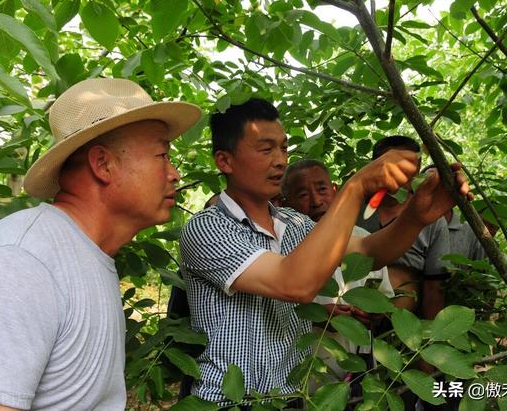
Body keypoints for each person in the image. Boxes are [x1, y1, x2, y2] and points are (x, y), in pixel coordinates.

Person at [179, 98, 470, 405]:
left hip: (290, 398)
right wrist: (356, 187)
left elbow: (368, 251)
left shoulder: (296, 223)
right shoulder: (207, 228)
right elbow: (294, 285)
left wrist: (416, 215)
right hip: (230, 402)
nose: (280, 160)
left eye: (283, 148)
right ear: (225, 161)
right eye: (266, 149)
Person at [0, 78, 201, 410]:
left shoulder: (84, 256)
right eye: (162, 154)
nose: (174, 173)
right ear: (103, 164)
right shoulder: (18, 265)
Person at [282, 158, 394, 384]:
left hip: (360, 372)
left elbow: (384, 297)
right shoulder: (282, 247)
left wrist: (375, 313)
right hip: (305, 377)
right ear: (286, 203)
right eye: (303, 195)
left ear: (335, 191)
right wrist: (314, 316)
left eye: (322, 189)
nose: (316, 201)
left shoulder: (362, 238)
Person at [357, 136, 450, 321]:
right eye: (391, 164)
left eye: (406, 165)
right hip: (351, 317)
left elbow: (434, 285)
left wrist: (430, 337)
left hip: (404, 325)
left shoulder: (432, 220)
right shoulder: (354, 210)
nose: (399, 173)